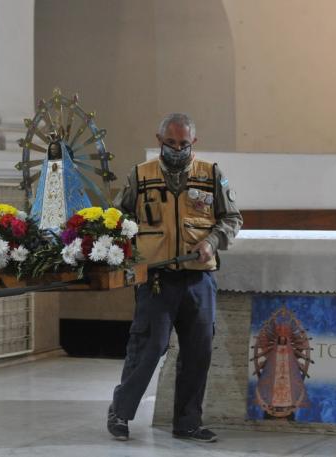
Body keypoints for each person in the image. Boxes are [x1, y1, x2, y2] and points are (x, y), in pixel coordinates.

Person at [107, 113, 242, 442]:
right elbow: (119, 217)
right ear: (159, 140)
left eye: (183, 144)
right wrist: (124, 251)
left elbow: (232, 218)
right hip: (156, 277)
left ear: (193, 142)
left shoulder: (211, 175)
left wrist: (211, 242)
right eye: (171, 143)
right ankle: (120, 412)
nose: (177, 149)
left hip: (198, 279)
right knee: (148, 347)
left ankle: (188, 422)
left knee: (199, 351)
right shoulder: (141, 175)